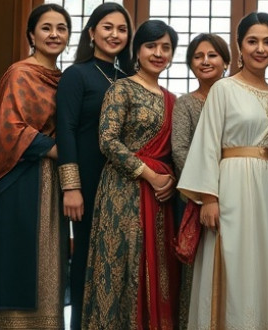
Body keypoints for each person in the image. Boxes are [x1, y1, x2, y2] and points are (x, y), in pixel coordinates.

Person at [177, 13, 268, 329]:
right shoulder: (224, 89)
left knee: (266, 265)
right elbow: (207, 144)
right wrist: (209, 198)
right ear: (239, 46)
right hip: (231, 188)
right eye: (252, 41)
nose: (260, 48)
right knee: (233, 262)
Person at [0, 3, 72, 328]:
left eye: (61, 28)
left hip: (53, 181)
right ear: (31, 34)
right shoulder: (20, 73)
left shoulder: (64, 78)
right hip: (19, 177)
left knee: (49, 258)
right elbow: (9, 127)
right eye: (46, 28)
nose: (54, 34)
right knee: (21, 259)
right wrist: (58, 149)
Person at [82, 20, 180, 330]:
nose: (158, 53)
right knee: (119, 265)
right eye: (151, 46)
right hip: (121, 191)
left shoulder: (172, 99)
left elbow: (173, 152)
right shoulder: (121, 88)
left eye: (166, 47)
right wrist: (149, 176)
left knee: (155, 268)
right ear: (137, 51)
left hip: (160, 195)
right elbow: (108, 141)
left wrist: (171, 181)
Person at [55, 2, 134, 330]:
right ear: (91, 32)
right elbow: (66, 130)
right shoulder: (77, 75)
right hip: (87, 181)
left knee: (123, 260)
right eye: (107, 27)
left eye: (122, 29)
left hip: (125, 182)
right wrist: (71, 186)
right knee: (88, 257)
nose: (115, 34)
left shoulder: (129, 78)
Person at [170, 32, 230, 330]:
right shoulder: (186, 104)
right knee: (197, 272)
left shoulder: (237, 98)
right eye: (198, 56)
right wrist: (209, 189)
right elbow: (180, 150)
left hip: (238, 195)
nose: (205, 61)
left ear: (226, 62)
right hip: (198, 199)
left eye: (212, 55)